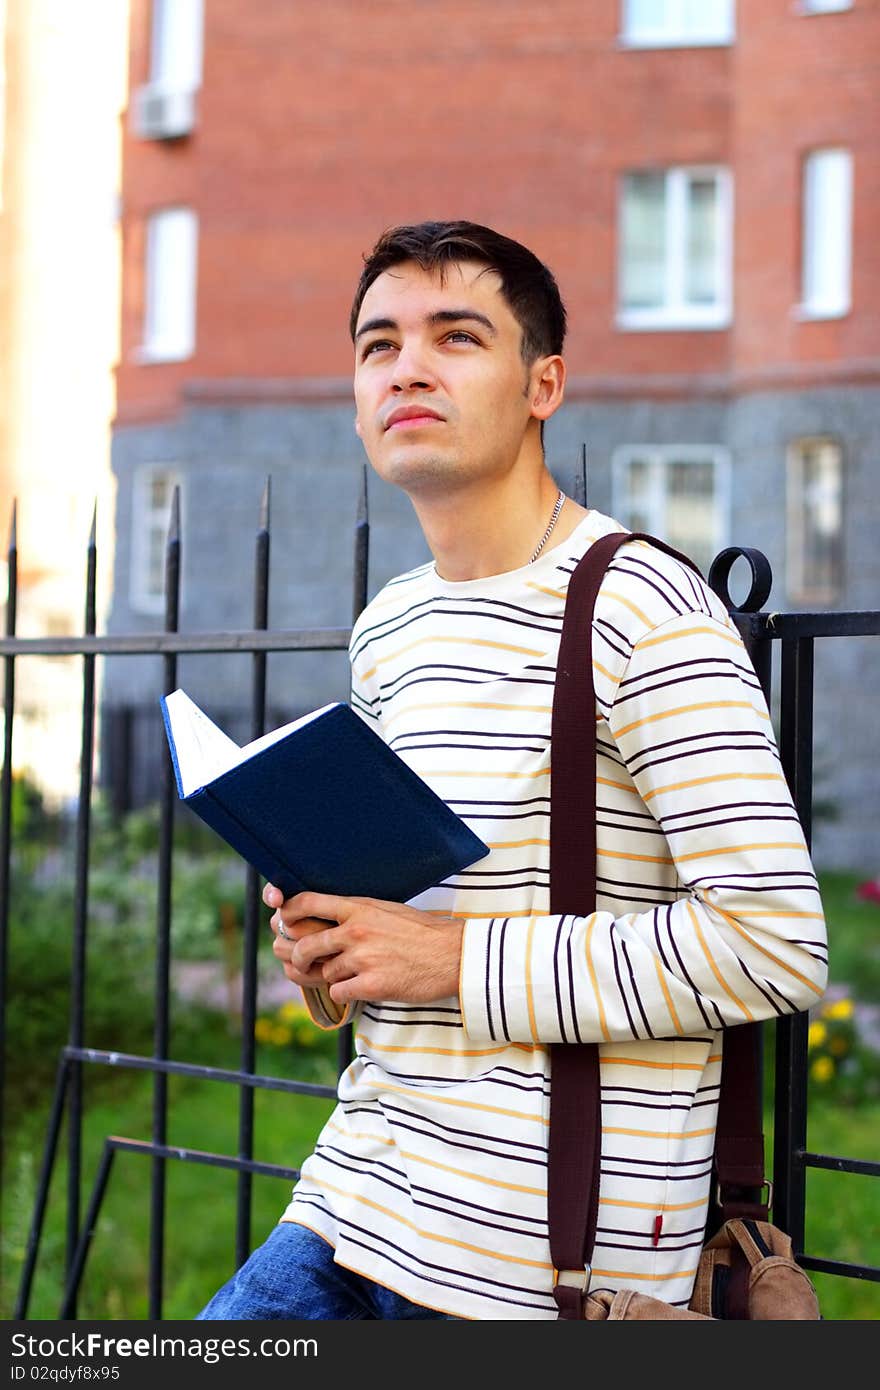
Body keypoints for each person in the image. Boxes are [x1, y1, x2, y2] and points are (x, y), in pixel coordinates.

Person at [197, 220, 828, 1320]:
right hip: (350, 1205)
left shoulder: (641, 605)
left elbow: (774, 945)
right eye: (377, 344)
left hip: (531, 1269)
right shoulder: (390, 623)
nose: (408, 367)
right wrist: (326, 940)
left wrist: (452, 961)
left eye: (456, 336)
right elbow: (416, 919)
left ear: (544, 384)